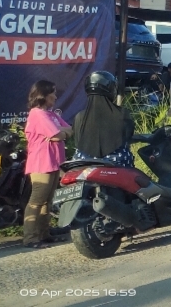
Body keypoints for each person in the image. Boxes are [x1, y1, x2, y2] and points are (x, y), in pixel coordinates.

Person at [22, 80, 72, 248]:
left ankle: (43, 234)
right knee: (37, 200)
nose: (56, 97)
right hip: (41, 164)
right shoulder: (38, 114)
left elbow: (69, 129)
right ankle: (30, 238)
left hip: (54, 163)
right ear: (43, 95)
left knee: (47, 201)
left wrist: (60, 133)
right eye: (53, 93)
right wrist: (60, 133)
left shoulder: (50, 115)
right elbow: (57, 135)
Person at [73, 72, 136, 167]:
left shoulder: (79, 116)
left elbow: (77, 140)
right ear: (111, 89)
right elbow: (128, 136)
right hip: (117, 164)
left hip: (83, 163)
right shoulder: (123, 114)